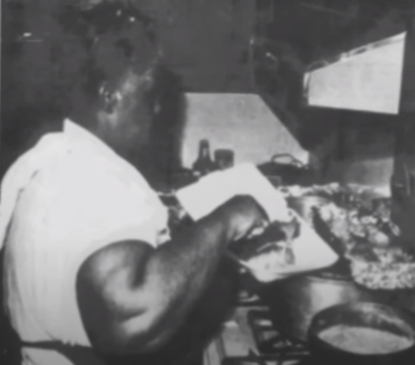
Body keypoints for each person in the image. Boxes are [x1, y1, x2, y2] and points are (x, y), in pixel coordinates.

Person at [0, 4, 294, 365]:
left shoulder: (62, 159)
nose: (158, 111)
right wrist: (229, 218)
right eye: (151, 95)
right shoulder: (85, 180)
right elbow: (132, 315)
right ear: (110, 97)